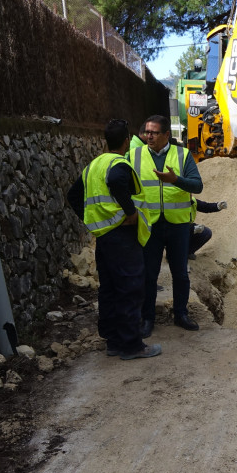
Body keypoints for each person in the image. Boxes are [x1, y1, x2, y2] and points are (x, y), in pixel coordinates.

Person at [66, 119, 161, 360]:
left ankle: (113, 341)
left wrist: (91, 219)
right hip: (122, 237)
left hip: (104, 237)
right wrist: (130, 212)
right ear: (127, 140)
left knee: (109, 289)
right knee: (130, 288)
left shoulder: (94, 166)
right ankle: (131, 346)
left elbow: (73, 195)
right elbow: (117, 182)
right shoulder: (119, 164)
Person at [131, 114, 204, 337]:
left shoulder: (182, 154)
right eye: (146, 132)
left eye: (153, 133)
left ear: (166, 135)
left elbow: (198, 186)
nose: (148, 136)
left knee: (180, 273)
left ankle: (181, 314)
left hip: (178, 225)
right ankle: (147, 318)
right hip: (149, 224)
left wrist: (176, 180)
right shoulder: (134, 155)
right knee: (149, 274)